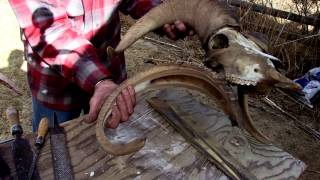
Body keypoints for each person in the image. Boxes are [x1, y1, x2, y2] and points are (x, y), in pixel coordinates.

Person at [8, 0, 193, 131]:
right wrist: (101, 81)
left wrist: (164, 15)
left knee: (111, 140)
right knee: (52, 150)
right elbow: (52, 33)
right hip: (56, 87)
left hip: (109, 76)